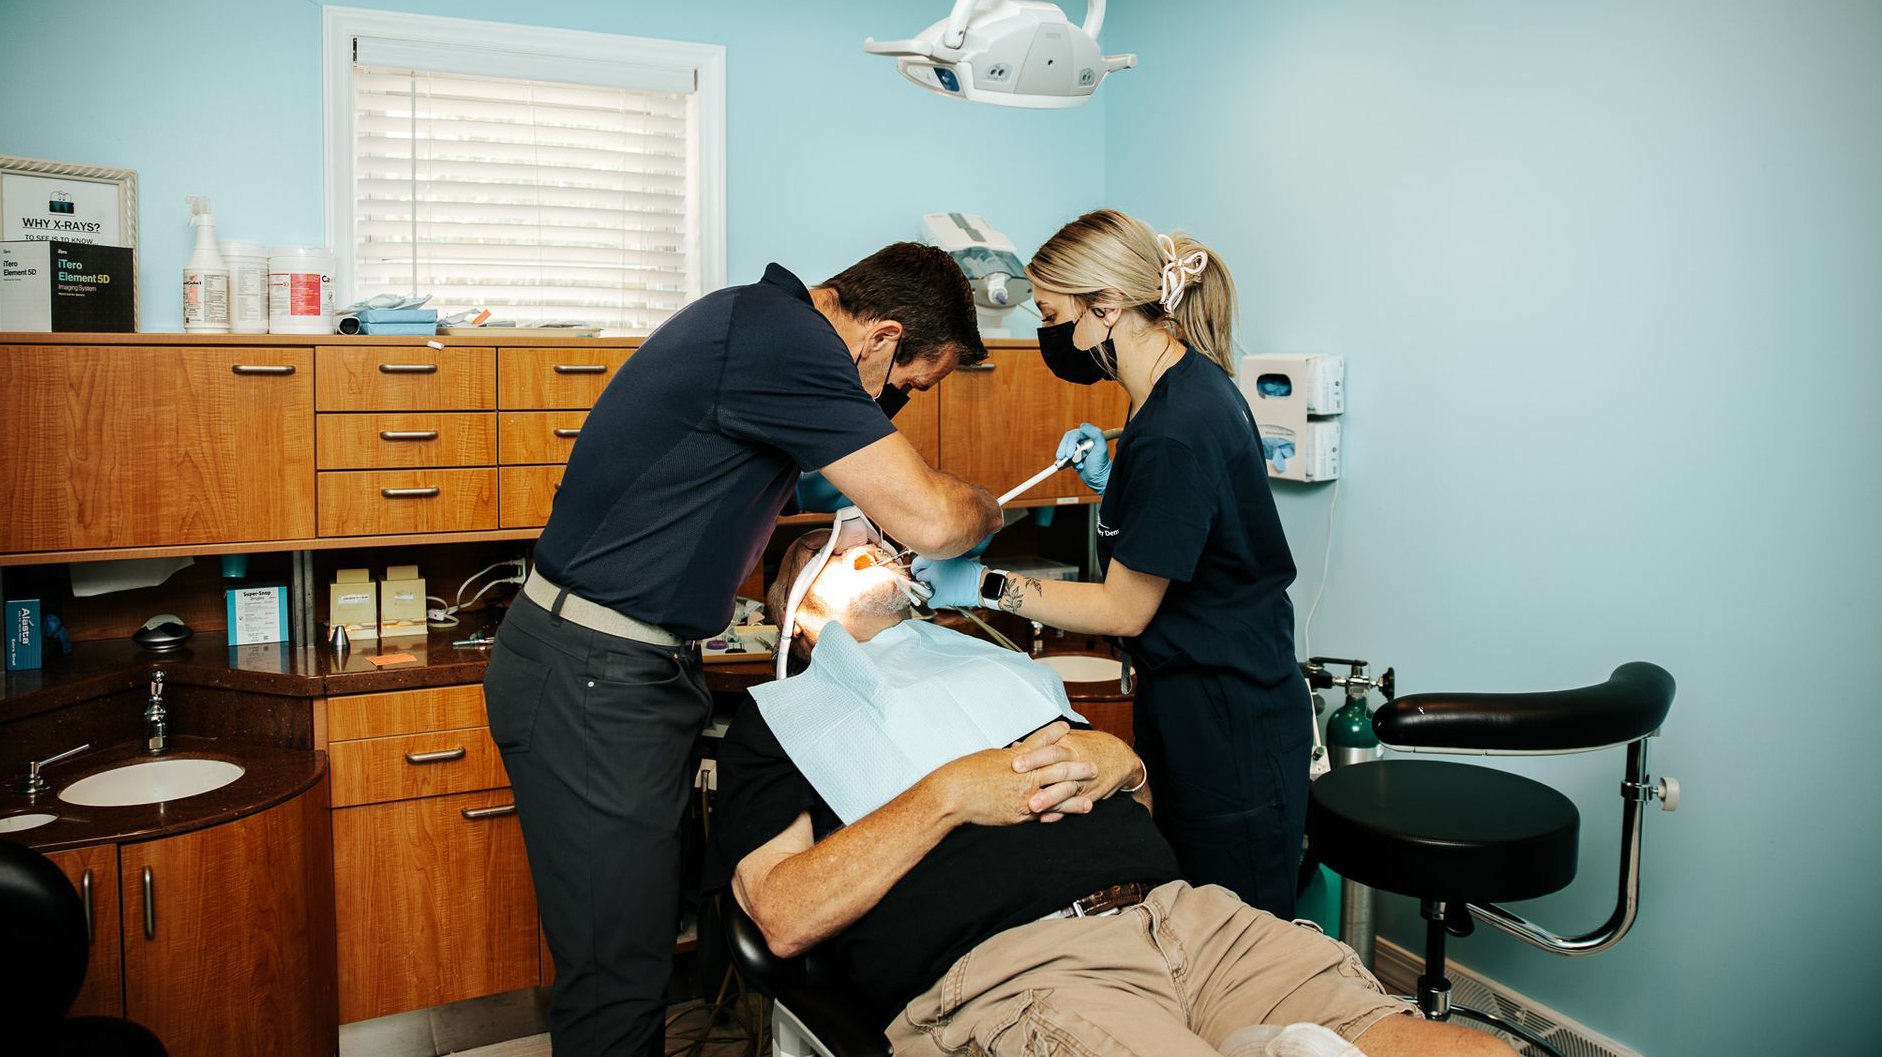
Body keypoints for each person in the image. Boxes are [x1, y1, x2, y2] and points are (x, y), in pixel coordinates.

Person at [484, 244, 1004, 1056]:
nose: (894, 405)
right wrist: (984, 508)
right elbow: (935, 521)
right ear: (880, 337)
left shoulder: (759, 328)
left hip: (627, 665)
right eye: (905, 385)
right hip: (593, 672)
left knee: (649, 938)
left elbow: (733, 481)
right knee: (615, 969)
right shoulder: (787, 342)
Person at [705, 536, 1513, 1057]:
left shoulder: (996, 669)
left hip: (1191, 923)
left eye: (885, 542)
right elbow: (782, 915)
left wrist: (1126, 764)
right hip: (1023, 970)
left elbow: (1134, 816)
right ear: (796, 606)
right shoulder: (783, 723)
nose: (879, 549)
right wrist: (946, 795)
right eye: (846, 551)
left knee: (1471, 1054)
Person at [912, 210, 1311, 918]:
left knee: (1236, 933)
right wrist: (1112, 482)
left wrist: (981, 584)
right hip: (1213, 692)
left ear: (1106, 310)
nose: (1047, 333)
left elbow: (1125, 608)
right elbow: (1192, 525)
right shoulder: (1187, 388)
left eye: (1051, 314)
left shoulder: (1174, 431)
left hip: (1226, 716)